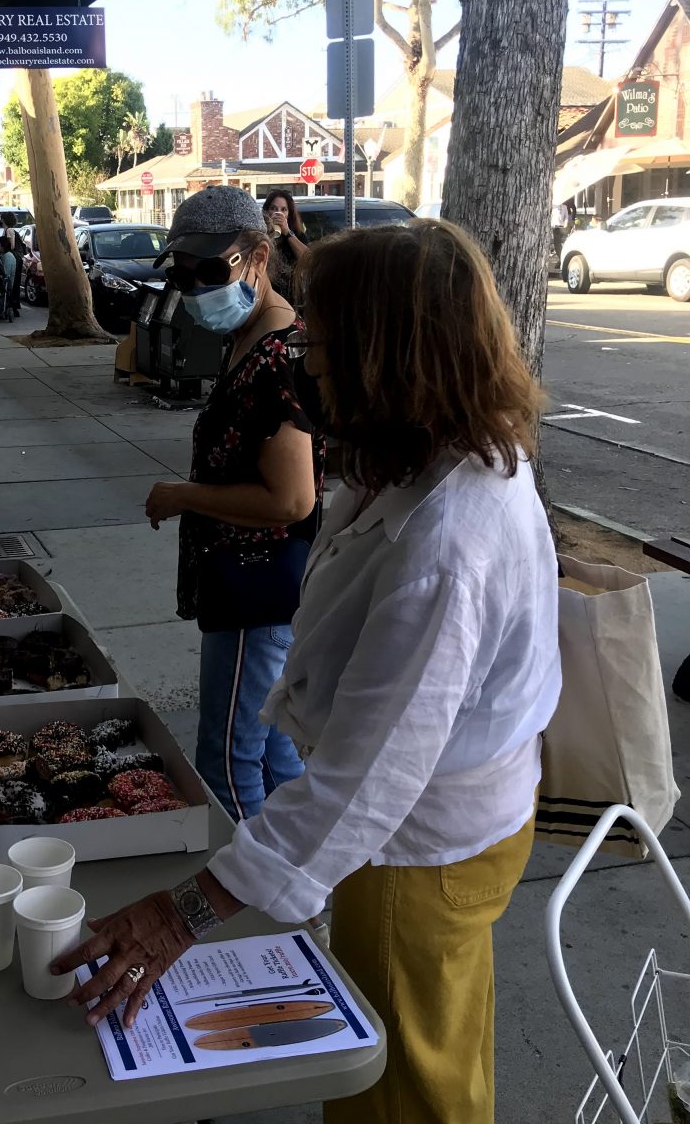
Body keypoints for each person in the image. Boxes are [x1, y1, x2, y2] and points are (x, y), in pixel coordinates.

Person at [56, 217, 559, 1124]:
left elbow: (367, 780)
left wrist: (188, 913)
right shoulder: (428, 455)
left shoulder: (447, 544)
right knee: (432, 1046)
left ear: (388, 357)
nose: (305, 366)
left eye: (322, 349)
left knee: (404, 1084)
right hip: (445, 823)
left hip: (421, 849)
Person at [143, 185, 322, 826]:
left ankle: (261, 907)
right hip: (245, 586)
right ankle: (302, 898)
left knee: (226, 760)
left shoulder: (280, 355)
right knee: (275, 754)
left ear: (259, 256)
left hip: (258, 592)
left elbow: (293, 499)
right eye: (185, 274)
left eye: (210, 271)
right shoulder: (250, 339)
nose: (194, 289)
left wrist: (185, 495)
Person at [263, 188, 309, 301]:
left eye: (283, 209)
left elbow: (307, 258)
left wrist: (287, 232)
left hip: (291, 296)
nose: (277, 213)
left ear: (289, 213)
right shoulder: (261, 233)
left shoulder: (297, 235)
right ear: (267, 211)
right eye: (273, 208)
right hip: (267, 295)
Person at [0, 211, 25, 316]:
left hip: (12, 258)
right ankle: (13, 306)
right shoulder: (6, 230)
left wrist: (2, 247)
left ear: (4, 219)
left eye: (1, 218)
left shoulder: (9, 230)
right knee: (12, 282)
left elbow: (12, 245)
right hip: (14, 258)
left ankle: (12, 306)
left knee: (11, 282)